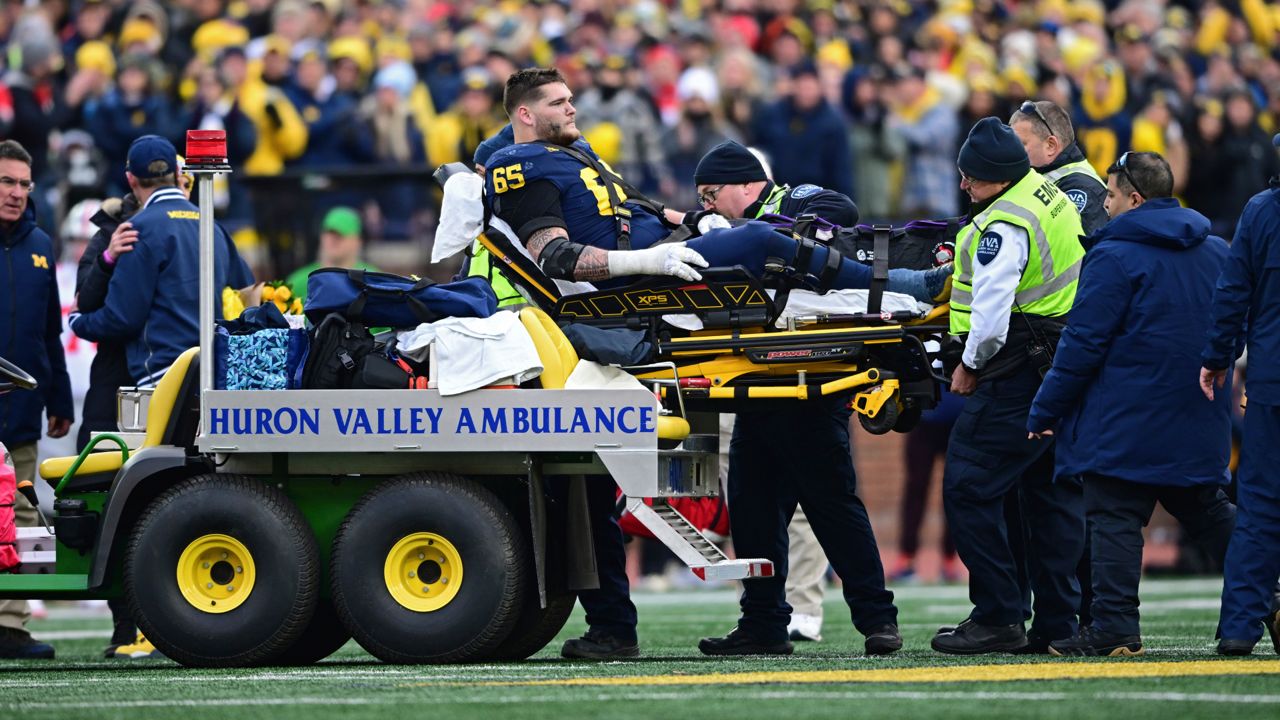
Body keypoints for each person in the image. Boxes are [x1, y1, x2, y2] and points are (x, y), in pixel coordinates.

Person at [482, 68, 949, 301]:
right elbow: (556, 257)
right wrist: (651, 258)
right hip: (641, 276)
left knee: (789, 236)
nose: (572, 109)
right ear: (525, 114)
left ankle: (920, 251)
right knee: (763, 236)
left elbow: (637, 206)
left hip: (671, 247)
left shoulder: (574, 152)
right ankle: (900, 287)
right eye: (559, 102)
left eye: (571, 100)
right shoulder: (520, 165)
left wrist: (695, 219)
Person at [688, 141, 901, 655]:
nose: (710, 206)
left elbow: (840, 211)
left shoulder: (791, 201)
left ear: (746, 183)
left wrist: (757, 236)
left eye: (713, 194)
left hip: (809, 379)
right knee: (752, 508)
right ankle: (762, 622)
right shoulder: (730, 223)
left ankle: (878, 618)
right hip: (759, 383)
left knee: (831, 503)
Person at [1028, 151, 1236, 656]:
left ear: (1135, 198)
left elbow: (1082, 344)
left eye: (1111, 192)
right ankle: (1271, 586)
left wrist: (1045, 409)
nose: (1104, 200)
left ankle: (1116, 626)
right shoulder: (1217, 251)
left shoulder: (1114, 255)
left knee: (1115, 511)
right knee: (1207, 507)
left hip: (1125, 416)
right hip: (1197, 409)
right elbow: (1236, 323)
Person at [931, 117, 1086, 655]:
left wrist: (970, 364)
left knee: (969, 487)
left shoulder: (1003, 224)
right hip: (1058, 367)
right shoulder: (1047, 193)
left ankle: (998, 613)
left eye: (971, 178)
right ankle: (1059, 623)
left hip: (1018, 367)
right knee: (1047, 495)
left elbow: (993, 314)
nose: (964, 186)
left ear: (995, 178)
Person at [70, 135, 254, 387]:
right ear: (176, 175)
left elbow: (123, 318)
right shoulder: (214, 228)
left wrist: (79, 322)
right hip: (215, 373)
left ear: (130, 178)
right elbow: (246, 297)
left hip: (163, 376)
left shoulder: (136, 230)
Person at [1201, 137, 1280, 657]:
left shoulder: (1260, 211)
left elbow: (1233, 292)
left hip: (1274, 379)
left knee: (1259, 508)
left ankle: (1239, 627)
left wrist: (1217, 356)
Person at [0, 139, 72, 660]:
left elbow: (51, 334)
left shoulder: (41, 245)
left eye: (24, 183)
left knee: (21, 515)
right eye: (7, 181)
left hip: (21, 410)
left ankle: (9, 623)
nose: (16, 193)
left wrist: (59, 398)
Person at [1010, 100, 1109, 235]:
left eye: (1021, 144)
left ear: (1051, 146)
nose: (1012, 151)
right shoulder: (1040, 175)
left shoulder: (1083, 190)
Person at [285, 207, 376, 302]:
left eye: (340, 235)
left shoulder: (373, 281)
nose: (333, 240)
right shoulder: (297, 282)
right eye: (329, 234)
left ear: (358, 241)